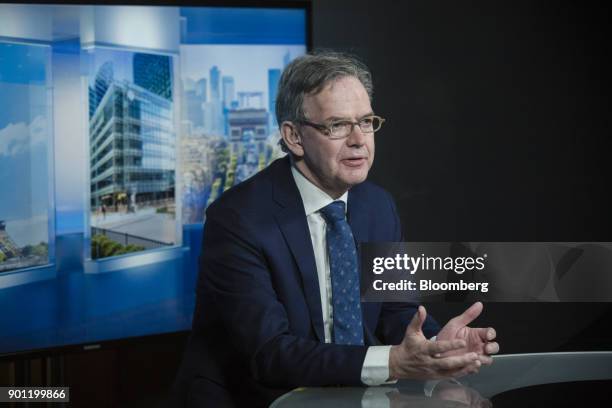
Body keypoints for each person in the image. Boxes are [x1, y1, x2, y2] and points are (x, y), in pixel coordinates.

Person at [172, 51, 499, 407]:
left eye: (367, 121)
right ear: (294, 136)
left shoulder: (378, 206)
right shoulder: (237, 219)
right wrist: (392, 362)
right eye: (338, 125)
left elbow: (395, 312)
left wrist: (438, 347)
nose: (359, 139)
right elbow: (270, 353)